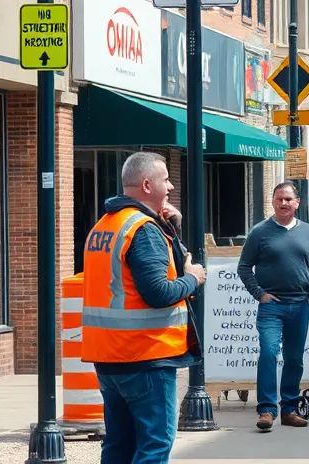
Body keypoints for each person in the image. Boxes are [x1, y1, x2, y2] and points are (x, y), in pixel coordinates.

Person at [80, 151, 207, 463]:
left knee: (119, 445)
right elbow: (159, 292)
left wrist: (171, 229)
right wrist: (193, 278)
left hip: (109, 356)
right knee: (155, 444)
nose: (171, 187)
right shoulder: (143, 229)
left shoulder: (106, 225)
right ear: (148, 185)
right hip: (145, 354)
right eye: (166, 180)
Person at [237, 183, 309, 432]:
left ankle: (289, 409)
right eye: (279, 199)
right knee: (269, 353)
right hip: (272, 307)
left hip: (300, 304)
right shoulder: (259, 232)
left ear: (297, 203)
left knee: (294, 358)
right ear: (273, 201)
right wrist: (259, 294)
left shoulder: (308, 233)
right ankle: (267, 410)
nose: (283, 203)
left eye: (288, 199)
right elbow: (244, 267)